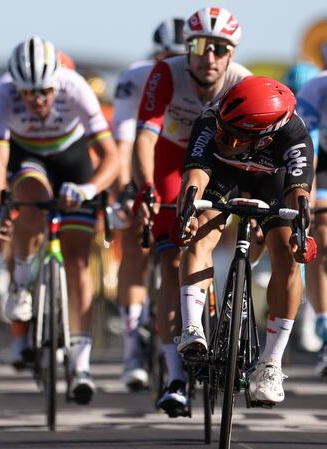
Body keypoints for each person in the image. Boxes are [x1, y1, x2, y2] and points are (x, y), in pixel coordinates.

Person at [0, 36, 119, 404]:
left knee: (77, 261)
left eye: (44, 92)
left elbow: (110, 157)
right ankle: (22, 283)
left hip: (72, 157)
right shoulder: (1, 93)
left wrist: (90, 189)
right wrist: (1, 206)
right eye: (28, 94)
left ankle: (81, 363)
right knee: (31, 198)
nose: (38, 101)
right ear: (16, 86)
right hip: (28, 157)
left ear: (56, 83)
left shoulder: (75, 88)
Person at [131, 6, 250, 417]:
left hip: (219, 164)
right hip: (171, 159)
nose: (209, 57)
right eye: (200, 46)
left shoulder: (243, 82)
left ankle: (227, 331)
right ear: (188, 48)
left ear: (231, 53)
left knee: (208, 236)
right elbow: (144, 138)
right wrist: (145, 190)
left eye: (220, 48)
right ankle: (176, 375)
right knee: (170, 259)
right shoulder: (167, 73)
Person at [177, 76, 317, 405]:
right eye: (221, 129)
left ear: (265, 139)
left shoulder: (293, 135)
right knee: (200, 236)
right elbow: (194, 178)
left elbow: (299, 195)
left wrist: (300, 234)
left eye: (231, 136)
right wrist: (188, 215)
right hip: (222, 175)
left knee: (287, 256)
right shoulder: (212, 121)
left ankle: (270, 362)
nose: (221, 137)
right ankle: (192, 326)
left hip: (272, 180)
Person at [111, 17, 186, 391]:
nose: (171, 63)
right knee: (135, 245)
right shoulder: (138, 77)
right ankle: (132, 346)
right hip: (145, 163)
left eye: (180, 55)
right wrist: (128, 189)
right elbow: (124, 139)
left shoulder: (202, 78)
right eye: (165, 56)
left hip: (187, 162)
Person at [294, 51, 327, 377]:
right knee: (322, 226)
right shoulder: (316, 90)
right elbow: (308, 155)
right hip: (322, 167)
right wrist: (309, 202)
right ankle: (324, 326)